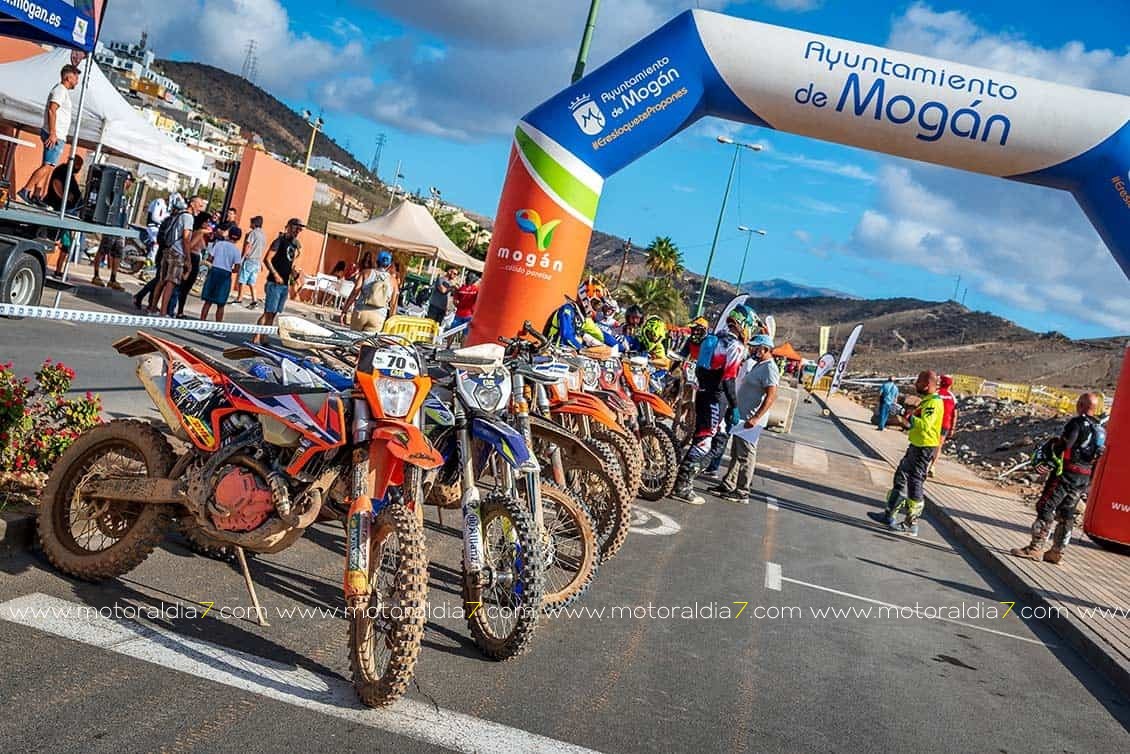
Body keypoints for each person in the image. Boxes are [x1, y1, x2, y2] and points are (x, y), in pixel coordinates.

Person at [670, 305, 754, 506]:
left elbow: (701, 369)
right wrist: (734, 405)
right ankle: (682, 485)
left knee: (716, 440)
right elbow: (728, 379)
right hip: (716, 399)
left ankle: (682, 475)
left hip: (706, 394)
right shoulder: (735, 346)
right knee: (705, 442)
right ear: (742, 325)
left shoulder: (714, 339)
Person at [1010, 394, 1104, 564]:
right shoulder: (1100, 428)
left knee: (1046, 506)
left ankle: (1035, 547)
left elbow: (1066, 444)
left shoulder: (1077, 423)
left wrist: (1053, 449)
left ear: (1080, 404)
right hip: (1083, 475)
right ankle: (1057, 552)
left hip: (1065, 473)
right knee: (1067, 512)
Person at [709, 334, 779, 504]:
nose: (753, 350)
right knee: (735, 453)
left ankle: (742, 491)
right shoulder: (759, 365)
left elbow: (771, 396)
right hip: (743, 417)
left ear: (765, 349)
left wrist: (756, 417)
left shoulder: (770, 368)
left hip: (751, 419)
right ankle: (728, 483)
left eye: (756, 347)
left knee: (746, 455)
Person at [879, 370, 943, 537]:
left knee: (915, 483)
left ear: (927, 385)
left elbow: (924, 425)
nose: (915, 385)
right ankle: (889, 513)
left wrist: (904, 413)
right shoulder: (926, 401)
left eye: (919, 382)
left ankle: (911, 524)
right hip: (916, 445)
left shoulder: (933, 403)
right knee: (901, 476)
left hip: (924, 448)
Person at [19, 65, 80, 206]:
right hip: (55, 134)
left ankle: (36, 194)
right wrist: (53, 133)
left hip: (57, 134)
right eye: (75, 76)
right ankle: (26, 189)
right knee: (48, 166)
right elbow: (52, 110)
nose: (77, 80)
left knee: (47, 165)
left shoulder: (62, 91)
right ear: (68, 77)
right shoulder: (60, 91)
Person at [153, 195, 205, 317]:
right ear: (192, 204)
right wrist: (188, 258)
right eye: (199, 205)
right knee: (171, 282)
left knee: (161, 280)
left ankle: (152, 307)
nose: (201, 208)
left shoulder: (180, 214)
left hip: (168, 248)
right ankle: (163, 312)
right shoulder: (188, 218)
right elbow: (186, 239)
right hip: (177, 252)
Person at [254, 218, 304, 343]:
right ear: (288, 227)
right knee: (268, 312)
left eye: (300, 229)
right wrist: (275, 274)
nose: (298, 231)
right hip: (274, 283)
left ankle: (264, 339)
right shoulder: (279, 241)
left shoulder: (294, 245)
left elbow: (290, 264)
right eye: (295, 227)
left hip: (284, 284)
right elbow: (267, 259)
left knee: (274, 313)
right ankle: (255, 338)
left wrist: (294, 275)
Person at [341, 250, 394, 333]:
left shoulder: (365, 273)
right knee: (367, 344)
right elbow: (393, 303)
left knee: (353, 340)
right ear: (389, 265)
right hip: (379, 316)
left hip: (361, 312)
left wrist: (344, 310)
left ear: (376, 262)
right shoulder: (393, 281)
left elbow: (355, 292)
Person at [175, 212, 214, 318]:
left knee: (184, 285)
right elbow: (191, 245)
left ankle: (179, 309)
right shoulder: (200, 232)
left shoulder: (198, 231)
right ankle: (179, 310)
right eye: (206, 222)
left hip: (195, 257)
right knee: (185, 285)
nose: (208, 224)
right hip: (193, 256)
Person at [199, 226, 242, 322]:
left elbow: (210, 258)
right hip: (226, 273)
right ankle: (217, 326)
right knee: (221, 303)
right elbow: (237, 268)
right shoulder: (236, 251)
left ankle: (202, 321)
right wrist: (231, 269)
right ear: (238, 238)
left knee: (208, 301)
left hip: (214, 271)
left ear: (229, 234)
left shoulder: (219, 244)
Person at [232, 215, 265, 307]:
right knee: (252, 282)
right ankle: (254, 300)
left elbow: (248, 246)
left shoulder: (252, 233)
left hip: (249, 259)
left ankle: (239, 298)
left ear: (254, 224)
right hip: (257, 261)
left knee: (242, 279)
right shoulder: (263, 235)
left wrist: (242, 258)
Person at [930, 374, 958, 476]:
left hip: (933, 423)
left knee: (929, 443)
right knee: (938, 445)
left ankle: (924, 463)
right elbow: (954, 414)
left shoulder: (935, 393)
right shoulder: (952, 397)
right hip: (945, 424)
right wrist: (952, 428)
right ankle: (932, 466)